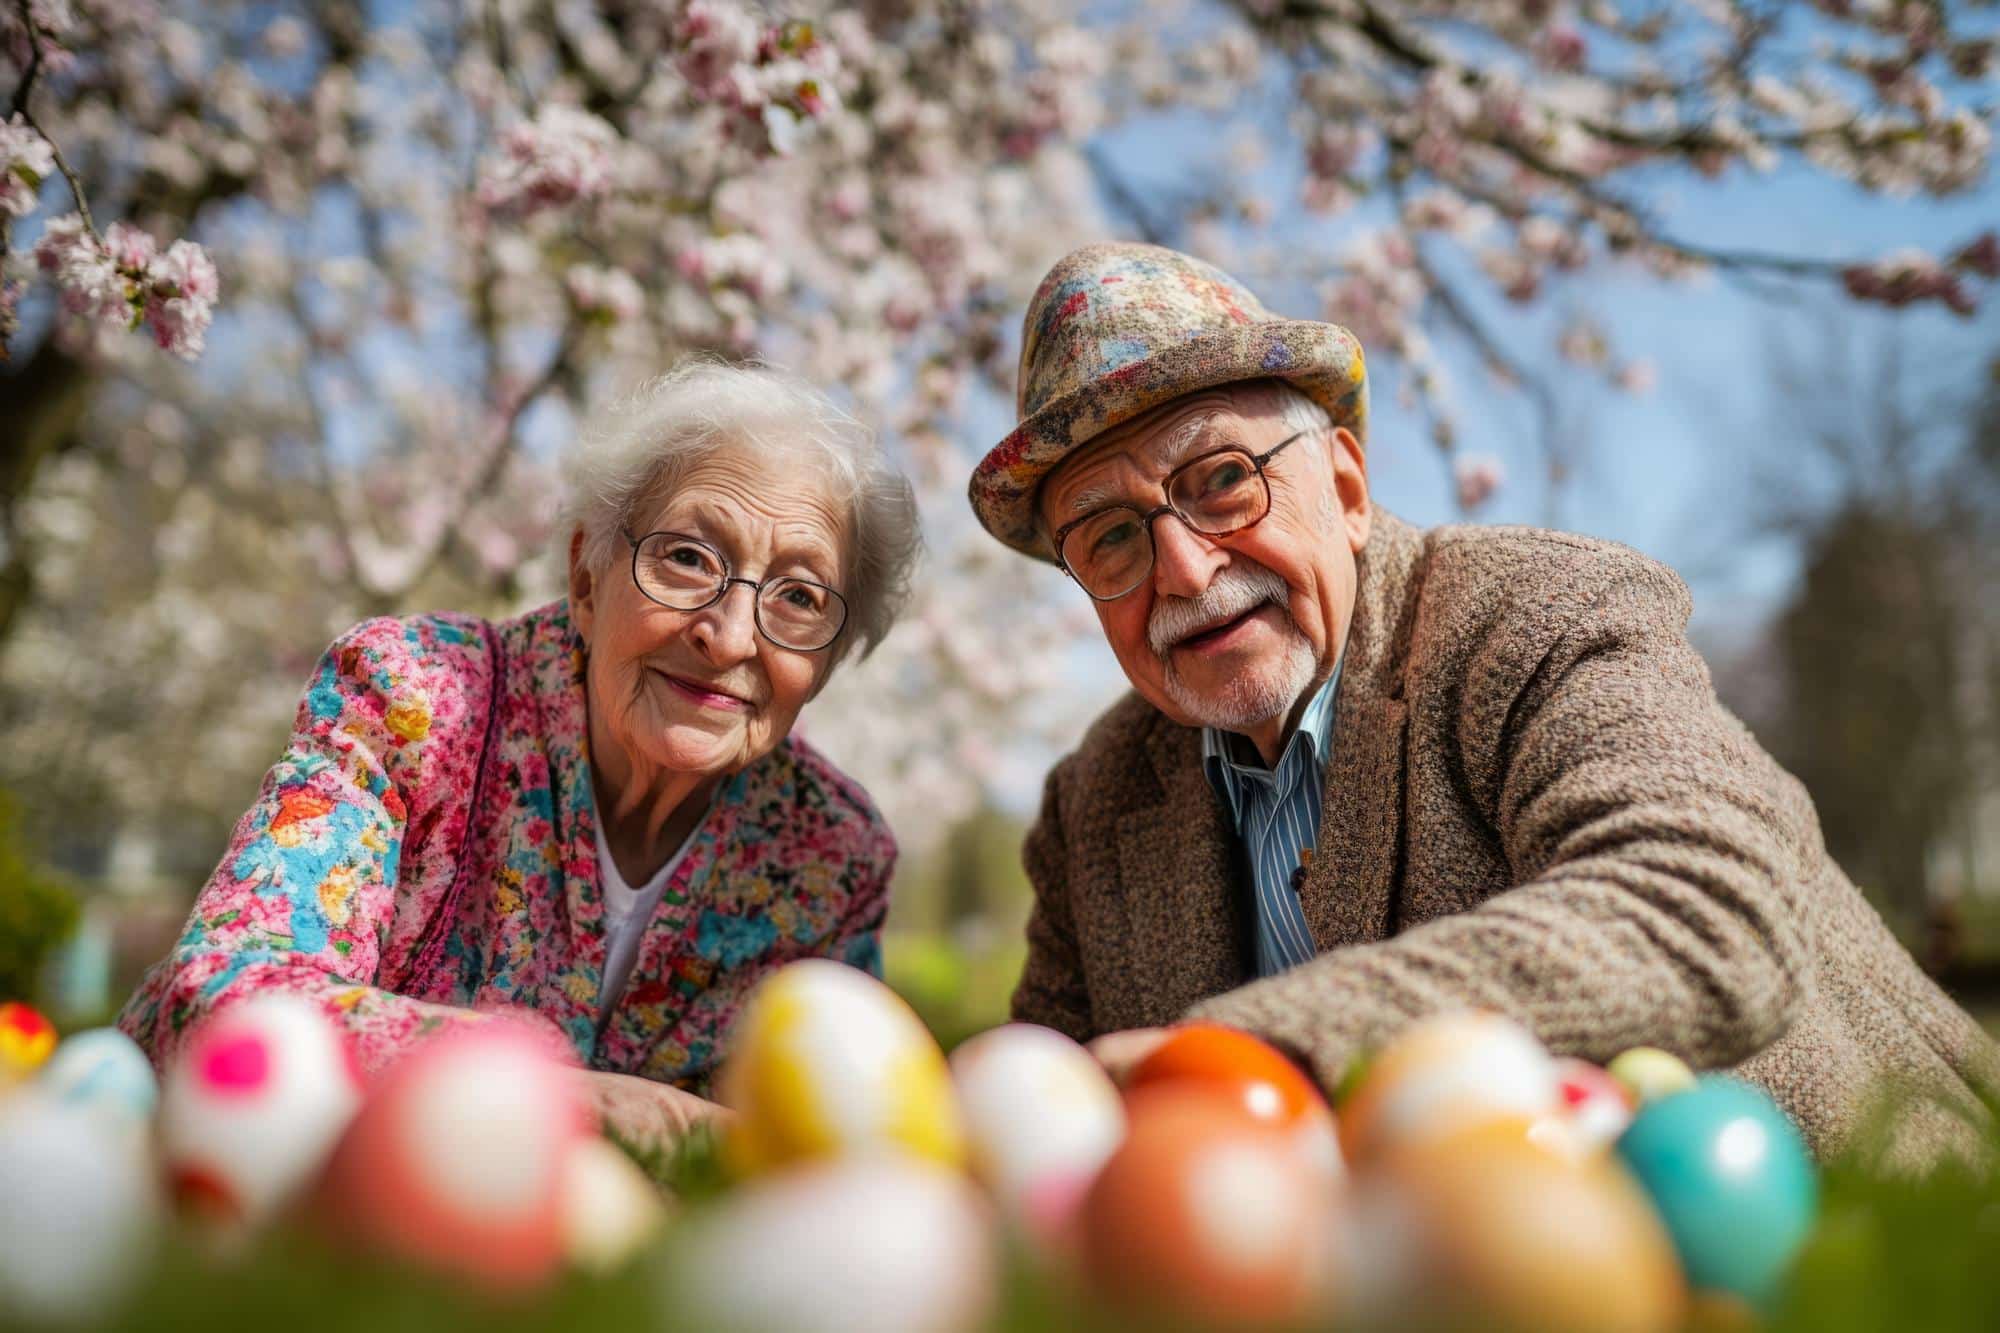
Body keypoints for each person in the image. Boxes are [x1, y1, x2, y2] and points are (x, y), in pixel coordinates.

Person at [970, 241, 1995, 1166]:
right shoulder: (1092, 804)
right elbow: (1046, 1117)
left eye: (1222, 480)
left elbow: (1703, 910)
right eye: (1108, 537)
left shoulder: (1535, 619)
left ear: (1346, 487)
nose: (1183, 571)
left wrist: (1250, 1050)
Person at [120, 358, 920, 1152]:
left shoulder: (829, 854)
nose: (730, 634)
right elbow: (223, 1001)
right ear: (585, 576)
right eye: (687, 557)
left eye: (800, 597)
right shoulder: (417, 698)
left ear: (827, 660)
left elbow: (838, 1147)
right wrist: (544, 1095)